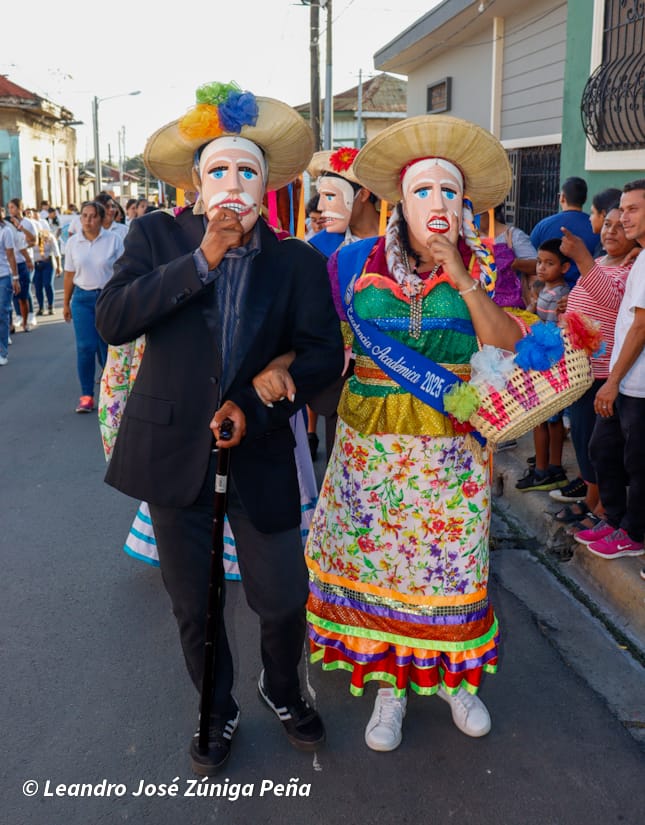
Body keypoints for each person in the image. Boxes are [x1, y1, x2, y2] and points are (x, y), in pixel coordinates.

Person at [94, 80, 344, 776]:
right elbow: (113, 319)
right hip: (172, 449)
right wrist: (200, 259)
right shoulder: (156, 237)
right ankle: (215, 705)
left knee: (283, 594)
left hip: (258, 450)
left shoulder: (297, 262)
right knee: (193, 602)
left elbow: (323, 354)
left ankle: (281, 686)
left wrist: (263, 397)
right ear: (197, 184)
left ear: (266, 185)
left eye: (247, 172)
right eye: (219, 171)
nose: (233, 184)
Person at [302, 114, 525, 752]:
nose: (437, 203)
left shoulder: (488, 263)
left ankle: (455, 680)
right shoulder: (352, 261)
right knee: (386, 567)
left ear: (464, 202)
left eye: (449, 191)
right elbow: (326, 342)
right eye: (423, 190)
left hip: (453, 446)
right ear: (400, 202)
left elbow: (510, 344)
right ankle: (391, 689)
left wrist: (461, 275)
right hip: (370, 449)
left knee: (451, 567)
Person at [549, 207, 637, 525]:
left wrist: (582, 258)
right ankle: (592, 498)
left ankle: (599, 506)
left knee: (598, 443)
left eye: (620, 226)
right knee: (584, 435)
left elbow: (612, 300)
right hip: (577, 367)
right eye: (607, 224)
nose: (611, 231)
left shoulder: (631, 269)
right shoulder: (600, 263)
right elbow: (586, 296)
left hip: (602, 372)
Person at [575, 180, 645, 560]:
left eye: (633, 209)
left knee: (636, 463)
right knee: (603, 449)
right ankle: (615, 519)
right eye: (621, 209)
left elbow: (641, 327)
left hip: (635, 384)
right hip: (625, 380)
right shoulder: (641, 258)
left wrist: (612, 381)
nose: (624, 218)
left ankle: (634, 533)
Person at [306, 147, 383, 461]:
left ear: (363, 194)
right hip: (342, 383)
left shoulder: (406, 243)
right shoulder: (317, 250)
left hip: (402, 380)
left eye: (330, 196)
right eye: (321, 197)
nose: (321, 207)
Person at [515, 239, 571, 493]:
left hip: (546, 363)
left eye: (549, 263)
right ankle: (553, 466)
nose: (541, 267)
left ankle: (541, 471)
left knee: (540, 418)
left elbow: (541, 327)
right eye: (539, 262)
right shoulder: (554, 292)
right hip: (553, 364)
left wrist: (529, 311)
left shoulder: (557, 296)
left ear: (564, 267)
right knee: (553, 419)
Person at [63, 200, 124, 413]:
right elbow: (69, 274)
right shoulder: (73, 242)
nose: (88, 220)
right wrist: (66, 303)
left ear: (101, 218)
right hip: (82, 299)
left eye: (93, 216)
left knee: (108, 347)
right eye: (84, 216)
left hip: (107, 298)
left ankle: (112, 394)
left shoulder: (113, 240)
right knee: (85, 347)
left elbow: (123, 271)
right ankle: (86, 396)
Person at [530, 177, 600, 288]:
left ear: (562, 197)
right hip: (585, 292)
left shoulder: (543, 226)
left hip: (549, 292)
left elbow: (531, 259)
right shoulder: (596, 227)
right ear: (585, 199)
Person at [478, 203, 536, 310]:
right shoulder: (469, 237)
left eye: (478, 214)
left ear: (491, 210)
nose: (473, 218)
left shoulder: (513, 236)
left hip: (507, 307)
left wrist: (513, 263)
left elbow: (536, 265)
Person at [0, 208, 19, 366]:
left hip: (3, 276)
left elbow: (11, 255)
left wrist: (15, 278)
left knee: (2, 312)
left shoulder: (5, 231)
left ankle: (2, 352)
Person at [33, 223, 62, 315]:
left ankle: (51, 306)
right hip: (35, 264)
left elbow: (56, 252)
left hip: (47, 263)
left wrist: (59, 266)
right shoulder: (30, 237)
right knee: (38, 286)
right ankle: (41, 307)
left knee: (47, 284)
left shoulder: (50, 237)